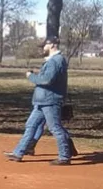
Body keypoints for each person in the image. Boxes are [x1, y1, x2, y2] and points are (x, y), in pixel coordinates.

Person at [4, 35, 72, 165]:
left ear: (52, 45)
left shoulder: (55, 60)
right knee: (31, 125)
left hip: (50, 101)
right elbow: (48, 77)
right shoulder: (53, 60)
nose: (43, 48)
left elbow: (47, 80)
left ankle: (64, 156)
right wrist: (38, 74)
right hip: (43, 101)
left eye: (44, 46)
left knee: (55, 128)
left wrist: (31, 76)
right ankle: (18, 153)